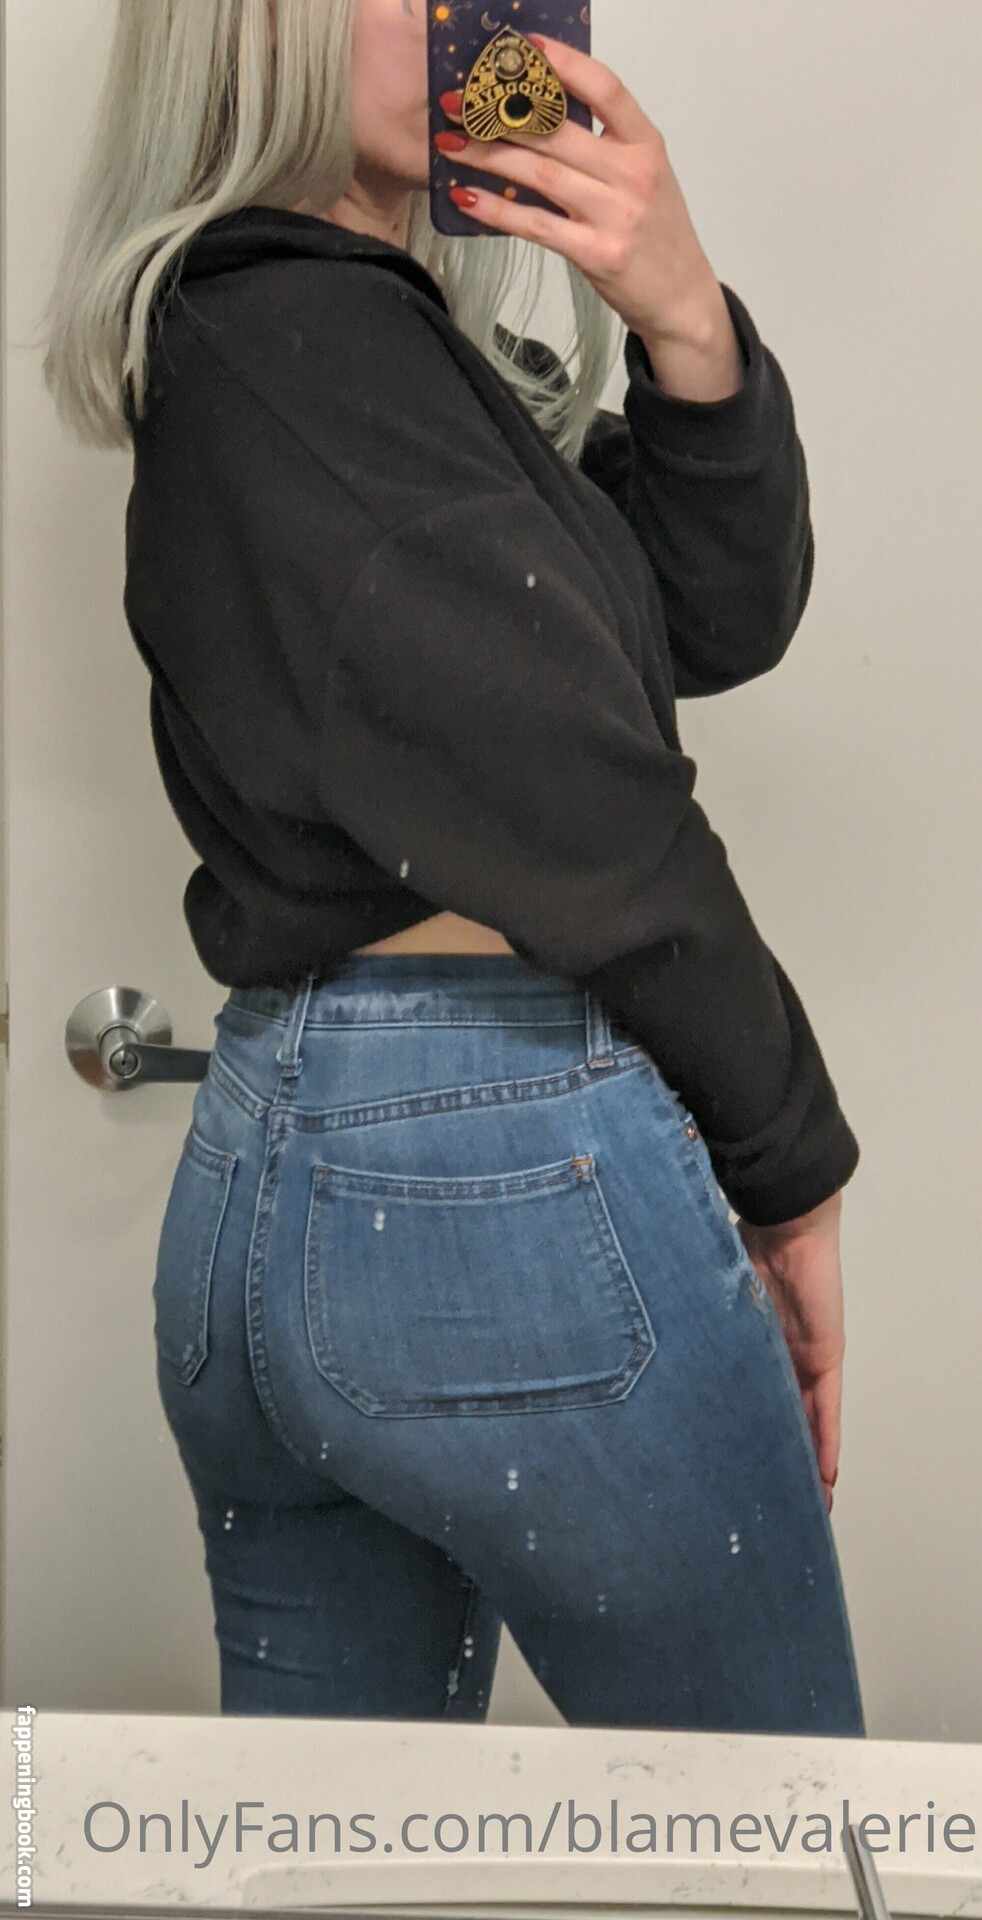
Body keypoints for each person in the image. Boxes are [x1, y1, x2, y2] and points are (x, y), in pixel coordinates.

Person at [41, 0, 864, 1733]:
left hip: (271, 1154)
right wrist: (790, 1172)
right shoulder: (306, 341)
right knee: (774, 1836)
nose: (460, 17)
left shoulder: (334, 352)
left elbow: (707, 614)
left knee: (348, 1848)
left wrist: (683, 322)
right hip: (480, 1167)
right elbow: (599, 819)